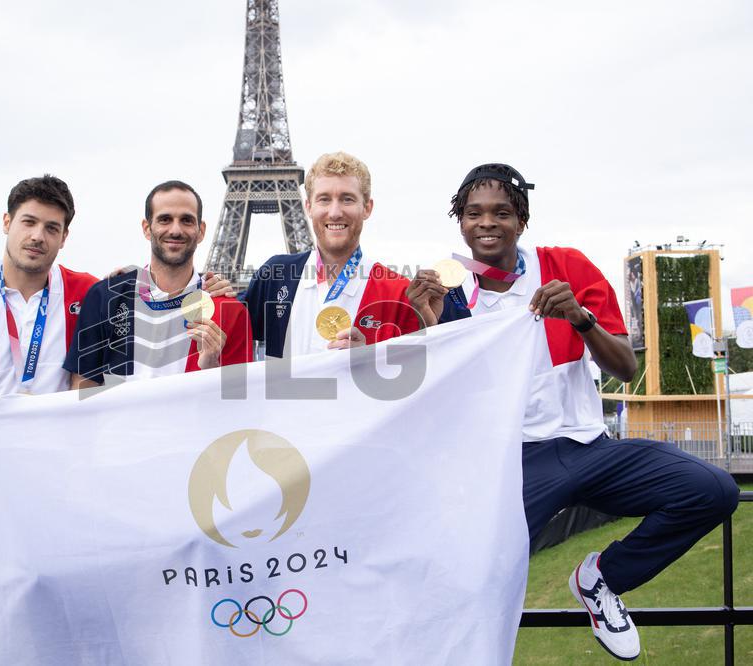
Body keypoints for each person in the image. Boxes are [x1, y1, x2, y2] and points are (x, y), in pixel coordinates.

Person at [0, 175, 231, 666]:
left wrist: (209, 286)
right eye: (29, 223)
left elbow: (158, 294)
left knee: (88, 581)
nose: (38, 235)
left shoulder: (93, 294)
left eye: (52, 227)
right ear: (7, 223)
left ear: (64, 237)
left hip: (61, 465)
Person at [411, 163, 740, 661]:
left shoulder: (566, 267)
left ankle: (602, 579)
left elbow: (626, 368)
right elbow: (440, 397)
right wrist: (428, 329)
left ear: (522, 220)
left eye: (502, 212)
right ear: (459, 221)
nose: (487, 223)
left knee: (712, 490)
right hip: (513, 461)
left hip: (589, 447)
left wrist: (580, 319)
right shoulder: (448, 291)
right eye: (474, 213)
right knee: (468, 581)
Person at [65, 180, 252, 387]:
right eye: (164, 219)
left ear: (201, 231)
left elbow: (238, 406)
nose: (175, 230)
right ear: (147, 228)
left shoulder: (230, 312)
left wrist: (210, 369)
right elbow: (83, 389)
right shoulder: (104, 297)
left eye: (187, 220)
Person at [242, 152, 420, 359]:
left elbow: (418, 369)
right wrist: (210, 292)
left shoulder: (399, 293)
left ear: (367, 208)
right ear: (308, 207)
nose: (335, 212)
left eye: (347, 199)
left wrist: (373, 359)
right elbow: (227, 334)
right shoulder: (274, 275)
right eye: (324, 199)